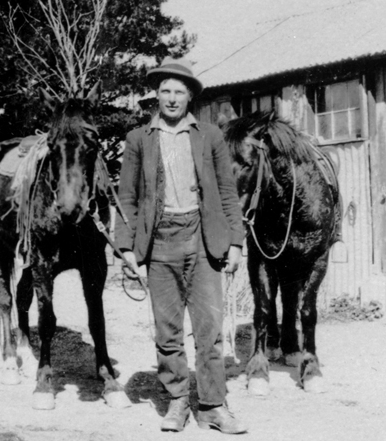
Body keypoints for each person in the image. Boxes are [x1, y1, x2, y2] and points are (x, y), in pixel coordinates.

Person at [115, 57, 247, 434]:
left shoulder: (209, 136)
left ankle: (213, 405)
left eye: (179, 92)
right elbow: (126, 197)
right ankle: (177, 402)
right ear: (156, 96)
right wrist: (126, 247)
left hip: (204, 242)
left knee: (209, 330)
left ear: (190, 97)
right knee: (167, 331)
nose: (171, 99)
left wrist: (235, 242)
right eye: (165, 91)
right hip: (160, 244)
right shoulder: (139, 139)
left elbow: (226, 191)